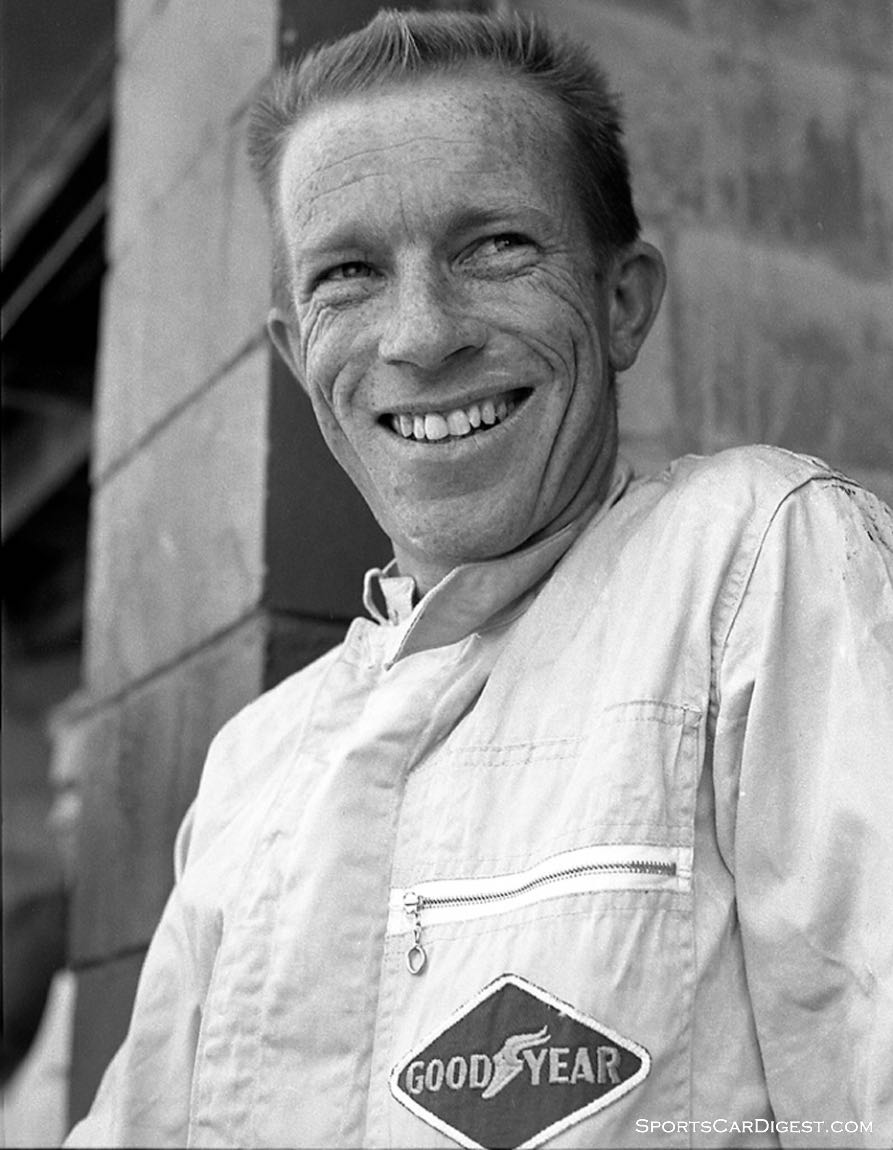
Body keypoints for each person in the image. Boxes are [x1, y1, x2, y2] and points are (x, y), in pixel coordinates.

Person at [66, 8, 893, 1149]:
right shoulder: (253, 765)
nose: (420, 335)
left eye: (495, 246)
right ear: (297, 355)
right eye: (347, 273)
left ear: (621, 302)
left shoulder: (753, 565)